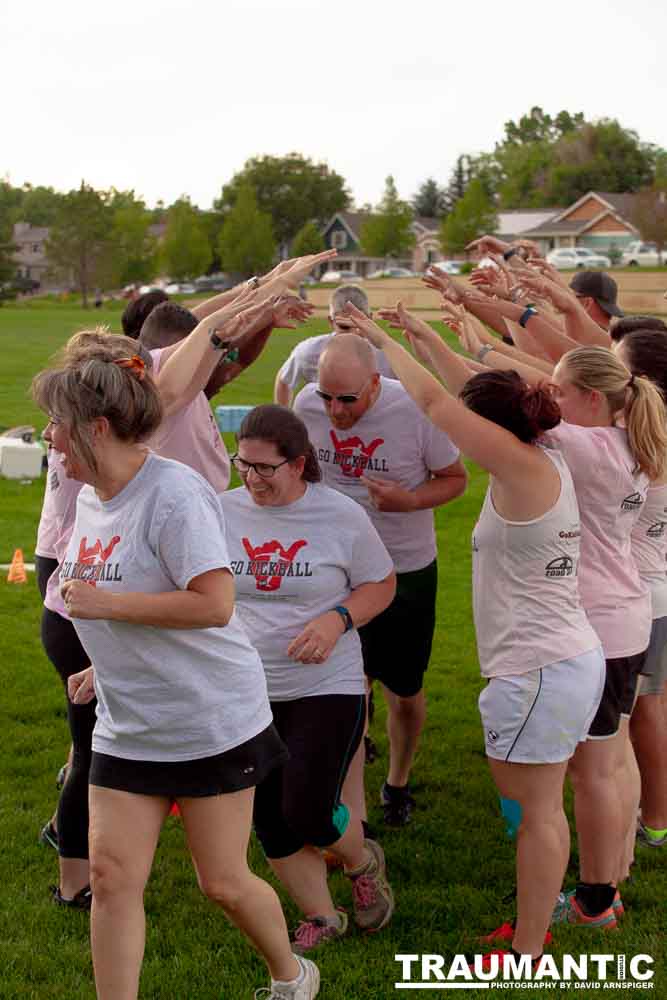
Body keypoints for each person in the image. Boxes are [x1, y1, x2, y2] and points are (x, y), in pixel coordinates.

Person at [32, 332, 320, 1000]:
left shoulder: (173, 494)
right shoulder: (91, 500)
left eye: (57, 423)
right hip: (129, 722)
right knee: (110, 877)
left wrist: (109, 607)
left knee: (222, 881)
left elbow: (214, 604)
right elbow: (126, 594)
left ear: (96, 429)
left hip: (206, 718)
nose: (49, 437)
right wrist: (105, 663)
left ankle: (291, 975)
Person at [340, 301, 605, 968]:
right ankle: (534, 921)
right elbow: (465, 390)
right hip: (559, 662)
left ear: (490, 429)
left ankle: (528, 950)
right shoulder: (541, 451)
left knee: (535, 815)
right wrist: (421, 333)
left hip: (537, 672)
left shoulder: (522, 466)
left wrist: (378, 338)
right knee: (535, 812)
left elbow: (436, 402)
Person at [444, 308, 667, 926]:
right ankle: (611, 878)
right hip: (627, 616)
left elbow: (489, 407)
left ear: (593, 400)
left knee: (595, 770)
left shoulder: (584, 446)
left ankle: (597, 897)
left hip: (599, 620)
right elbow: (514, 388)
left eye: (561, 391)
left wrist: (454, 348)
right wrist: (476, 341)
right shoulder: (627, 438)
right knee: (610, 760)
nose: (550, 396)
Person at [220, 404, 397, 953]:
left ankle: (361, 861)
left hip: (326, 686)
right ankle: (322, 915)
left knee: (309, 809)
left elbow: (382, 584)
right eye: (243, 464)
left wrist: (337, 618)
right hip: (247, 690)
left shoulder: (339, 515)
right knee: (269, 819)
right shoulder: (221, 511)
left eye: (264, 468)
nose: (251, 478)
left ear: (298, 464)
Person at [294, 334, 467, 826]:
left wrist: (408, 501)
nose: (334, 410)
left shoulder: (414, 410)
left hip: (404, 569)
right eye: (326, 396)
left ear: (375, 383)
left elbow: (456, 479)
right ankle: (352, 796)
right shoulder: (307, 406)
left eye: (347, 399)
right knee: (345, 682)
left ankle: (398, 780)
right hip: (335, 570)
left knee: (405, 689)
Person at [616, 331, 667, 849]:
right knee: (646, 714)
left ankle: (633, 835)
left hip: (638, 603)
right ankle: (653, 821)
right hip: (656, 598)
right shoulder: (657, 431)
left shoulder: (638, 444)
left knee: (624, 726)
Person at [274, 285, 396, 408]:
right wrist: (283, 415)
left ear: (370, 319)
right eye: (344, 327)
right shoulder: (310, 351)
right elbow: (284, 379)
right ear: (331, 322)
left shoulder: (389, 355)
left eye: (359, 325)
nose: (353, 334)